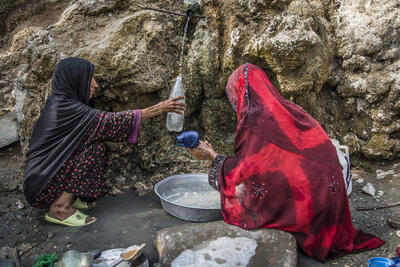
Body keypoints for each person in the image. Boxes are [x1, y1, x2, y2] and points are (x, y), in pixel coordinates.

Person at [187, 63, 384, 262]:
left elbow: (245, 177)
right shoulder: (292, 112)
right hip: (332, 207)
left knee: (248, 195)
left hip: (311, 212)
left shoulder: (252, 122)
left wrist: (212, 156)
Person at [24, 57, 185, 226]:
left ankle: (68, 198)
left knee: (96, 148)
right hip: (41, 187)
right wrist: (159, 108)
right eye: (90, 79)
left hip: (46, 180)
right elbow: (110, 121)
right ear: (76, 80)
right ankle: (59, 207)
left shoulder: (62, 102)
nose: (95, 84)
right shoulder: (65, 108)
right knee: (93, 151)